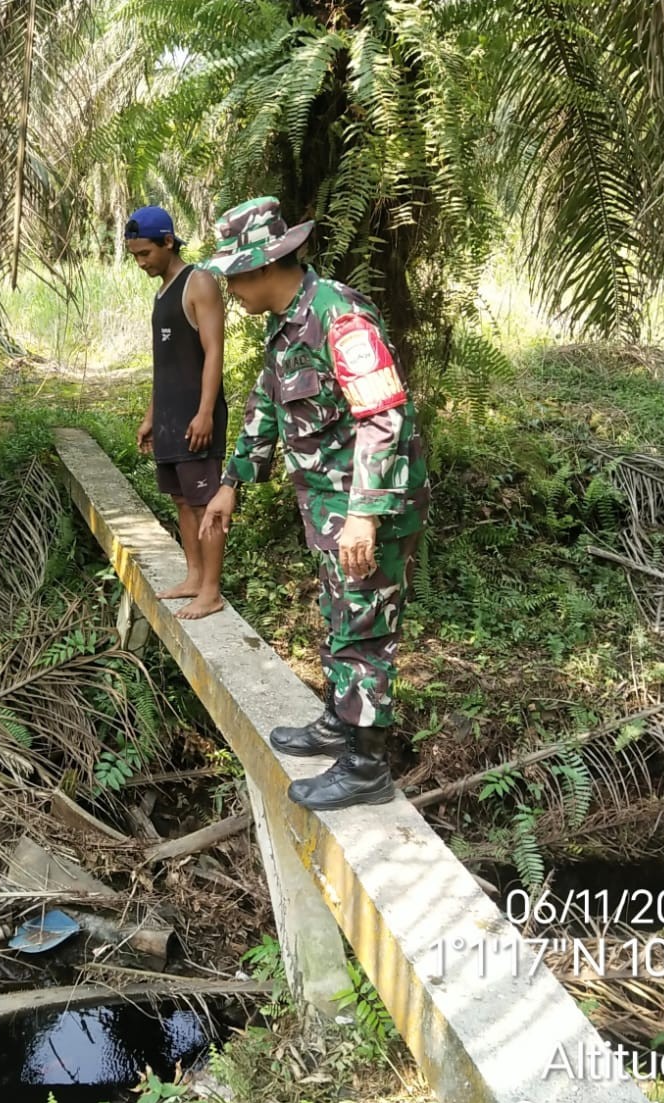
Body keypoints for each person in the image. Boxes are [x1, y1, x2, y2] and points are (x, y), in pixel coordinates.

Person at [198, 196, 430, 809]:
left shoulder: (339, 318)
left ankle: (366, 766)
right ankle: (339, 720)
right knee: (339, 613)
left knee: (363, 627)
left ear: (264, 267)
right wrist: (231, 482)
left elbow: (384, 417)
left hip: (364, 509)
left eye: (233, 278)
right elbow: (265, 410)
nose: (231, 292)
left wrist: (363, 516)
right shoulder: (286, 326)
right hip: (328, 507)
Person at [125, 205, 229, 620]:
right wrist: (153, 414)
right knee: (182, 501)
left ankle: (211, 590)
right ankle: (193, 576)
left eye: (145, 253)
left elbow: (214, 351)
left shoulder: (197, 283)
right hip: (170, 417)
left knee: (206, 503)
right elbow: (165, 362)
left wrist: (205, 412)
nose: (140, 262)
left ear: (168, 242)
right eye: (134, 255)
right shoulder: (162, 290)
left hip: (194, 418)